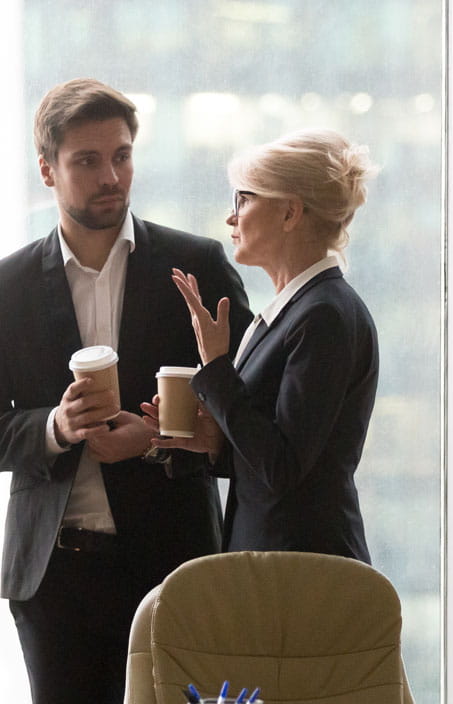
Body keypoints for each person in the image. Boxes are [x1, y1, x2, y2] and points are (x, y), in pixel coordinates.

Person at [0, 78, 251, 704]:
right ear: (47, 171)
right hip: (53, 578)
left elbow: (248, 420)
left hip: (173, 567)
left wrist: (157, 440)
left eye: (122, 155)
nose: (111, 175)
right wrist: (54, 427)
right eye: (87, 160)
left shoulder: (196, 266)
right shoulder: (8, 287)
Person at [143, 129, 378, 563]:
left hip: (304, 572)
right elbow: (279, 455)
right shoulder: (299, 309)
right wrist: (214, 442)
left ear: (290, 212)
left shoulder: (323, 314)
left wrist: (215, 366)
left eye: (244, 199)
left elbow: (282, 467)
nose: (232, 217)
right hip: (279, 567)